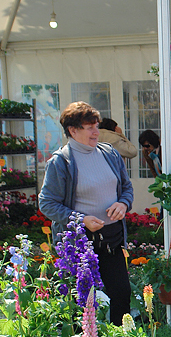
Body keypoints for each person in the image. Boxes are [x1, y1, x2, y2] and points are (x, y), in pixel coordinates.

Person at [39, 102, 134, 324]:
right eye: (89, 127)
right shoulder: (61, 162)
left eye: (96, 126)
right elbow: (47, 204)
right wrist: (81, 220)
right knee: (81, 302)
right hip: (79, 244)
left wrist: (123, 204)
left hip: (111, 240)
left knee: (121, 295)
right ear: (73, 130)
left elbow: (126, 188)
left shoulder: (109, 153)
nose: (96, 132)